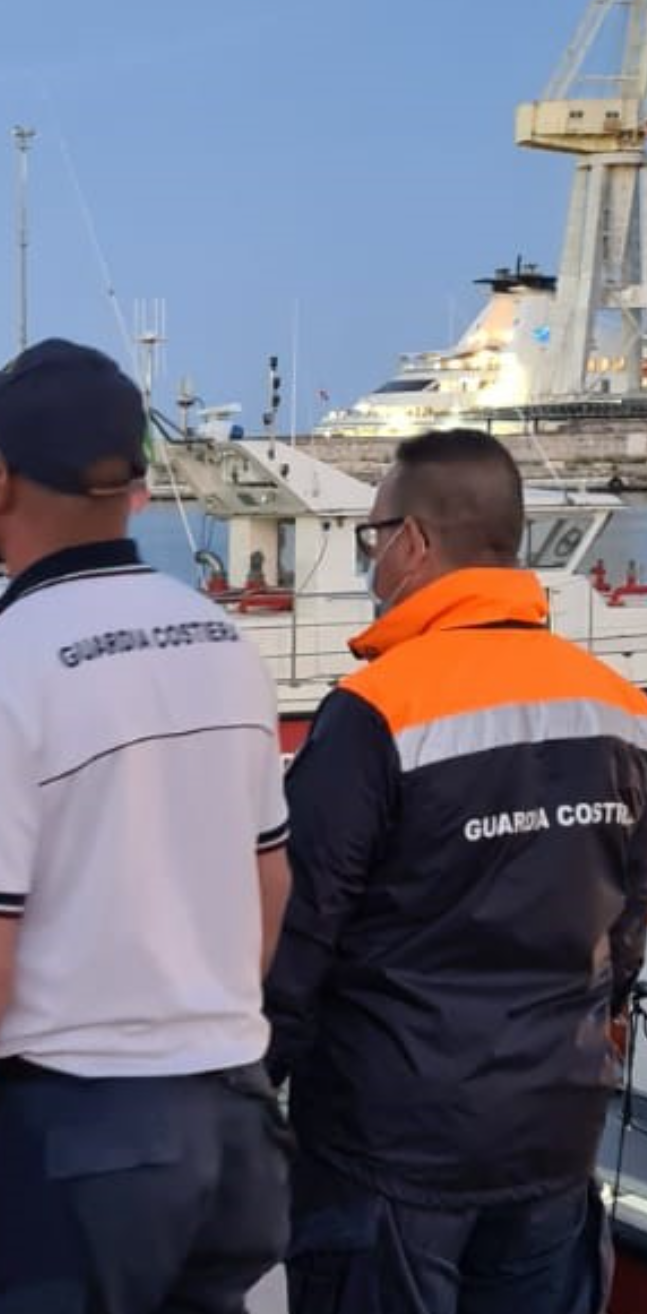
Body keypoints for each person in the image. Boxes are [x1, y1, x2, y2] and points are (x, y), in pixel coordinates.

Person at [0, 338, 292, 1314]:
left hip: (82, 1147)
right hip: (233, 1129)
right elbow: (270, 885)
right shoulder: (223, 644)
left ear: (0, 485)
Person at [265, 428, 647, 1314]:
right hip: (555, 1136)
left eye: (373, 536)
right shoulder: (618, 706)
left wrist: (247, 1095)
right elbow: (628, 917)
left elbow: (302, 929)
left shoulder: (376, 711)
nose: (371, 557)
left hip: (391, 1150)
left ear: (416, 542)